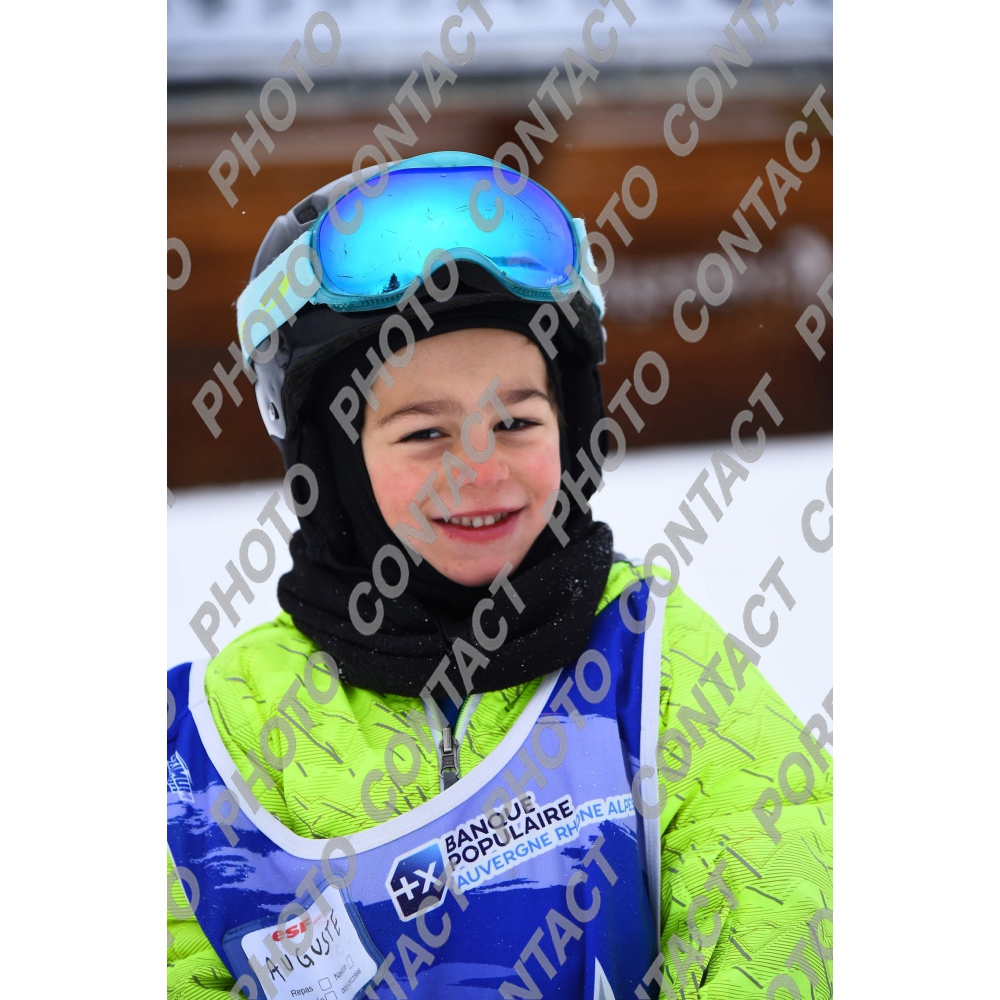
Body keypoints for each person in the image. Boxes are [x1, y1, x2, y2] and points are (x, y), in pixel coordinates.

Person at [168, 151, 832, 999]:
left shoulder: (654, 666)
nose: (479, 468)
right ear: (332, 465)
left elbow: (785, 901)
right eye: (424, 434)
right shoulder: (223, 734)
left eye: (516, 421)